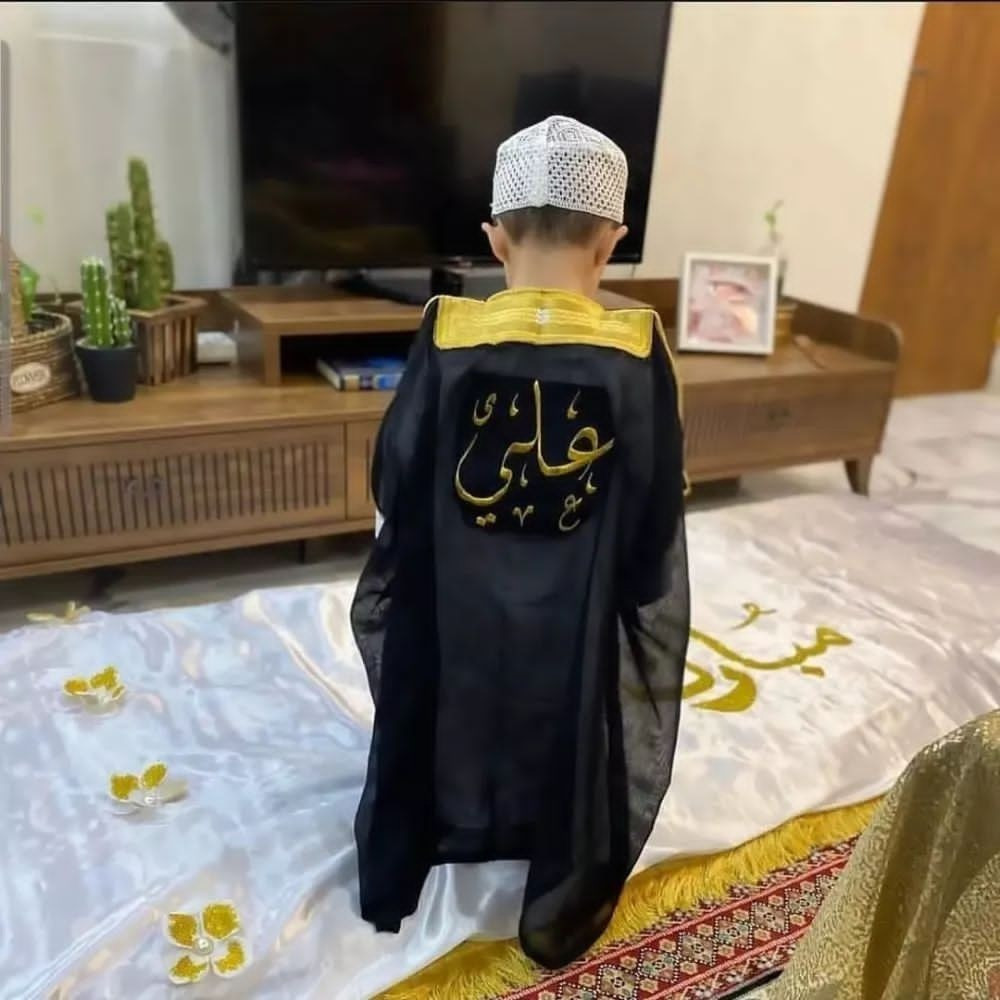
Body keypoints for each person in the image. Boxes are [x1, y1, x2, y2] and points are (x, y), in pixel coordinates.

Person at [351, 115, 689, 968]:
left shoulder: (446, 335)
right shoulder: (638, 352)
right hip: (572, 625)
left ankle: (443, 821)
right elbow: (653, 513)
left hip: (456, 614)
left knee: (450, 668)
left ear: (495, 239)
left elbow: (397, 480)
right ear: (610, 244)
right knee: (570, 696)